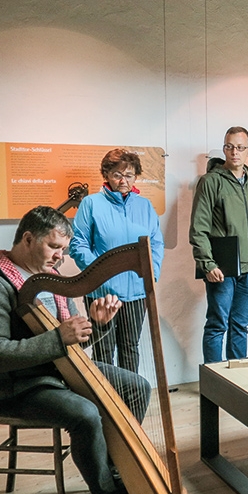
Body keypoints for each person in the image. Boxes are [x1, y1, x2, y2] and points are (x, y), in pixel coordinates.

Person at [0, 206, 151, 494]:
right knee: (85, 413)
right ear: (27, 239)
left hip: (59, 370)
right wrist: (57, 339)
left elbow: (72, 343)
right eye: (55, 247)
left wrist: (94, 324)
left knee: (137, 386)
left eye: (64, 250)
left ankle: (113, 467)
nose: (60, 257)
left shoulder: (44, 280)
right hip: (17, 385)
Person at [69, 149, 164, 373]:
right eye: (117, 174)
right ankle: (106, 403)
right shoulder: (91, 204)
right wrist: (100, 276)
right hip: (102, 293)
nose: (123, 180)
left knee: (130, 347)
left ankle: (128, 402)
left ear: (136, 176)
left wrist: (152, 272)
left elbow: (156, 244)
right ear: (107, 175)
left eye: (129, 175)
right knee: (103, 350)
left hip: (137, 292)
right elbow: (78, 245)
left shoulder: (145, 206)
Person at [189, 126, 248, 363]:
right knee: (217, 325)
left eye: (240, 147)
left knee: (240, 325)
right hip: (221, 270)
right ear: (224, 148)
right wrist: (207, 264)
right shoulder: (210, 182)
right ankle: (215, 383)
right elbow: (198, 228)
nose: (234, 152)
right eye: (229, 146)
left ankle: (238, 380)